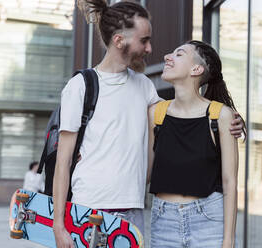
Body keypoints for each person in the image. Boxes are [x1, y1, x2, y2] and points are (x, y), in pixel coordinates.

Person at [53, 1, 244, 248]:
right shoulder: (80, 86)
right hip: (88, 211)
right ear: (120, 41)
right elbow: (62, 162)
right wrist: (58, 224)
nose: (150, 48)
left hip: (133, 214)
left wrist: (231, 119)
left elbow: (184, 114)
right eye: (144, 40)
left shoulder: (144, 86)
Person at [148, 40, 245, 248]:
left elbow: (230, 182)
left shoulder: (220, 116)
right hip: (163, 222)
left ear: (196, 69)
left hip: (209, 221)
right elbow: (146, 171)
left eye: (179, 54)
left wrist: (228, 240)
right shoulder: (156, 113)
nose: (168, 57)